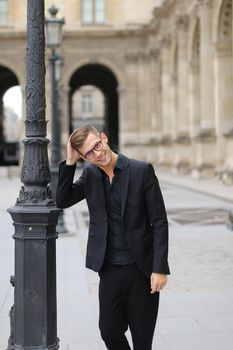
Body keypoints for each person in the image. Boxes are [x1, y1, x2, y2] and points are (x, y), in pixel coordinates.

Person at [56, 124, 170, 350]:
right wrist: (70, 161)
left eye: (97, 145)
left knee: (142, 339)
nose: (97, 154)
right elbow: (63, 200)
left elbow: (159, 222)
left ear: (104, 138)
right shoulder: (90, 174)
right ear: (84, 157)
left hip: (142, 269)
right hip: (109, 268)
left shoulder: (141, 171)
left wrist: (159, 268)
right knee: (108, 331)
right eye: (89, 153)